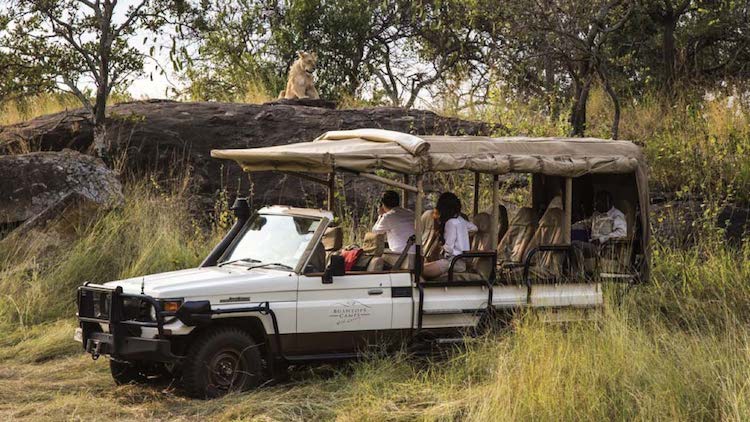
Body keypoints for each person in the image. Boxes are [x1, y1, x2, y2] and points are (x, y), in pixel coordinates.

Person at [422, 192, 477, 279]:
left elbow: (449, 248)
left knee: (421, 271)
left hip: (451, 263)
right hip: (460, 261)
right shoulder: (460, 220)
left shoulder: (450, 223)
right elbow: (474, 228)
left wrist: (441, 249)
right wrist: (462, 236)